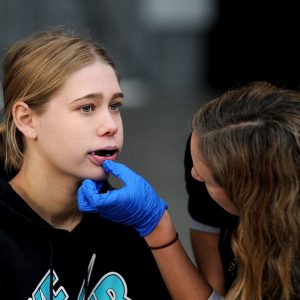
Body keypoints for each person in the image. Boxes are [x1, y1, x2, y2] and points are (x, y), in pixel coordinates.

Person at [79, 81, 300, 299]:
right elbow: (214, 293)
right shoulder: (204, 153)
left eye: (207, 179)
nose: (194, 174)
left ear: (251, 197)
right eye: (86, 108)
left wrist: (157, 228)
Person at [0, 29, 173, 299]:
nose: (110, 126)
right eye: (87, 108)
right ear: (27, 120)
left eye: (115, 106)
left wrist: (158, 230)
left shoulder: (130, 223)